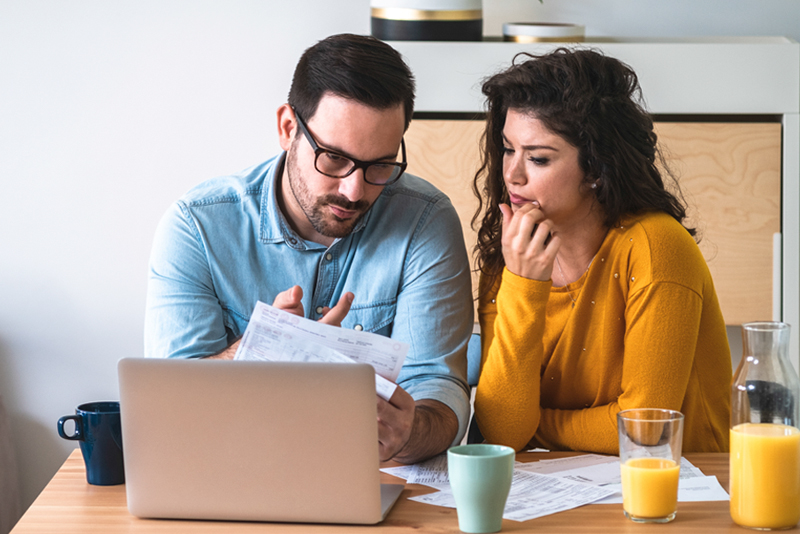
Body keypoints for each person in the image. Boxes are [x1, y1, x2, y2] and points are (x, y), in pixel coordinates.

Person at [144, 34, 473, 464]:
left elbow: (439, 386)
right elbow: (167, 402)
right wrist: (257, 356)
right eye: (334, 159)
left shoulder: (424, 221)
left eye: (380, 165)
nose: (354, 190)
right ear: (287, 128)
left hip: (375, 481)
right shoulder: (197, 226)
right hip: (231, 474)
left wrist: (409, 433)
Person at [472, 48, 731, 454]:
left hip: (688, 488)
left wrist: (537, 426)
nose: (512, 174)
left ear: (595, 168)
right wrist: (523, 284)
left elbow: (645, 427)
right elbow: (504, 432)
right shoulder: (511, 255)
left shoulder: (656, 248)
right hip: (562, 491)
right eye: (508, 149)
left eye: (538, 158)